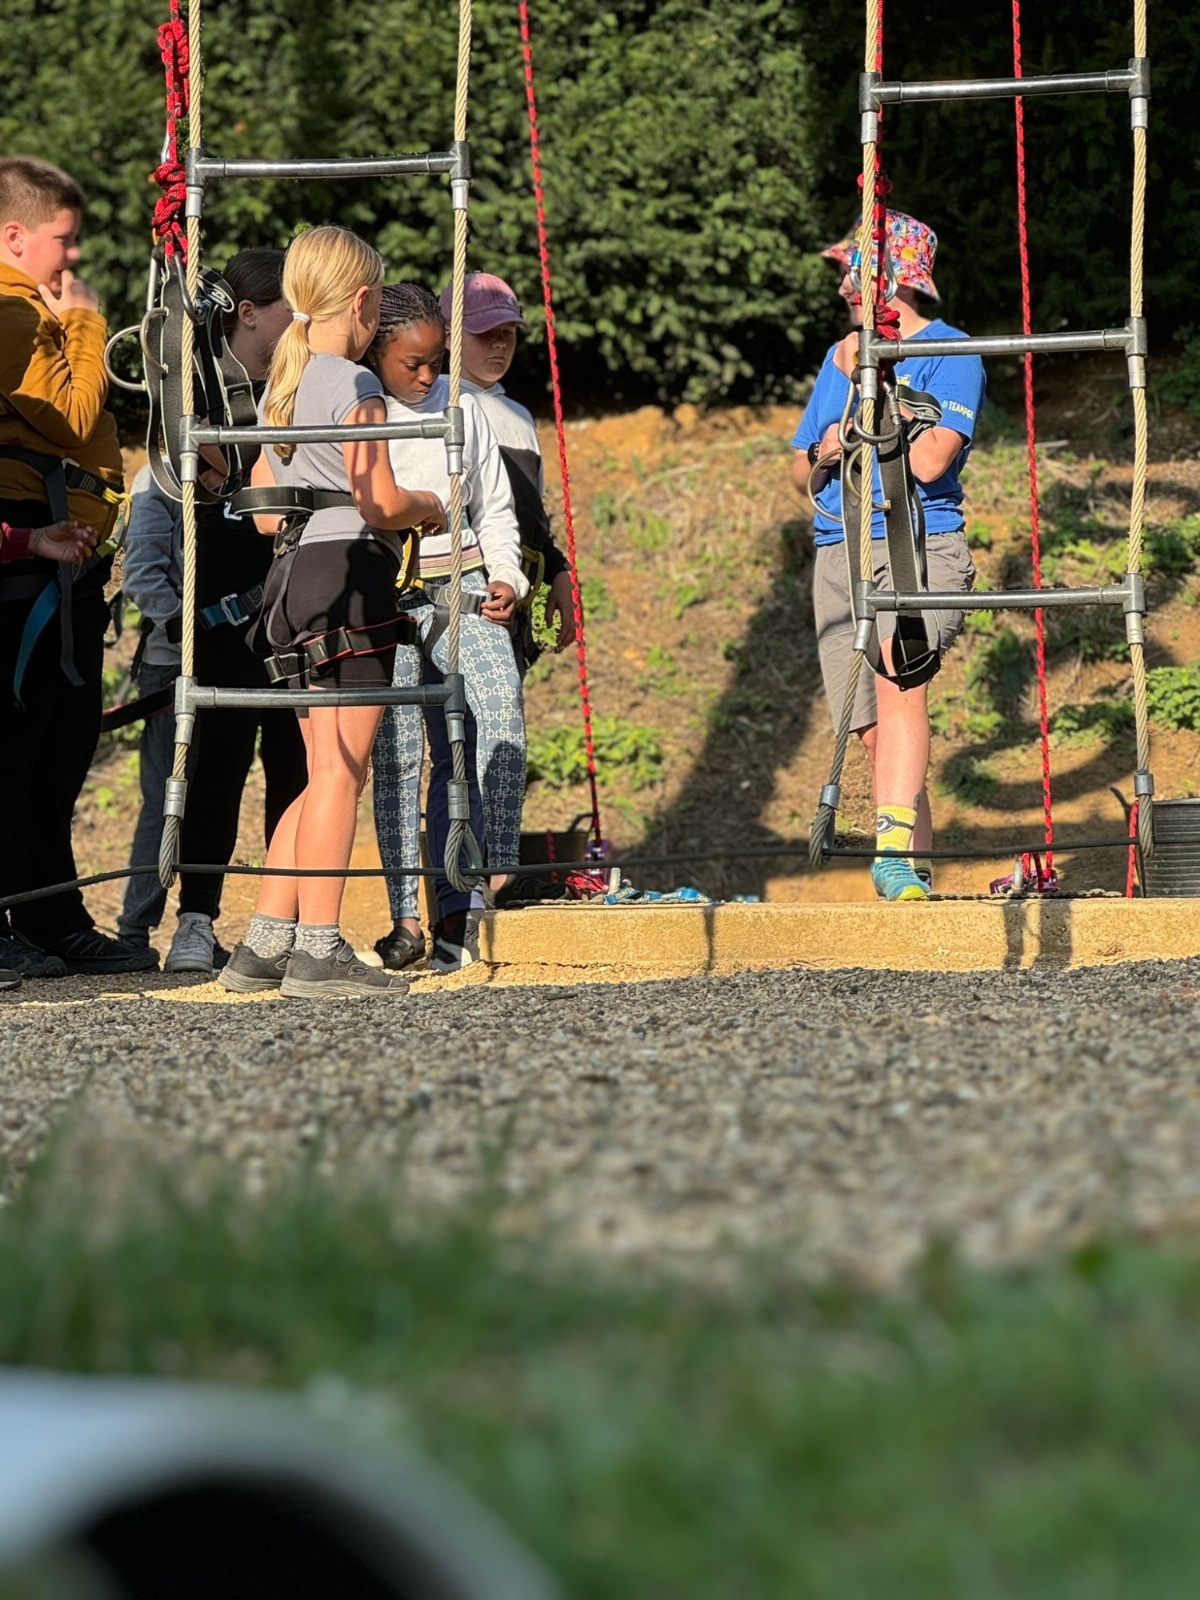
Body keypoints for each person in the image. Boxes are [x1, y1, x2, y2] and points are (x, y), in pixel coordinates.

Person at [220, 225, 446, 1000]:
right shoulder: (352, 384)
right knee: (341, 777)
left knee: (321, 776)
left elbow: (261, 515)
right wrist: (430, 504)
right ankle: (319, 950)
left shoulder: (282, 384)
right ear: (362, 301)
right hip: (348, 577)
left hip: (290, 582)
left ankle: (263, 944)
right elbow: (379, 500)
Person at [118, 248, 308, 973]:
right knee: (215, 775)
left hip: (291, 610)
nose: (301, 322)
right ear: (250, 313)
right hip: (221, 623)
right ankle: (194, 921)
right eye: (290, 308)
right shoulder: (195, 399)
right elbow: (162, 512)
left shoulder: (301, 392)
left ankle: (290, 923)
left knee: (296, 771)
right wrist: (179, 620)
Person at [791, 210, 985, 901]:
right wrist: (830, 445)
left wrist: (875, 394)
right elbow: (800, 467)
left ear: (894, 279)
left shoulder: (952, 350)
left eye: (854, 274)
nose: (844, 288)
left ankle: (893, 854)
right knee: (873, 730)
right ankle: (915, 872)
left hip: (914, 540)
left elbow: (930, 461)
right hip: (838, 550)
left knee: (901, 679)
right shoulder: (840, 355)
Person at [0, 154, 157, 977]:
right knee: (16, 749)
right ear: (14, 237)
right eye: (64, 240)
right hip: (25, 557)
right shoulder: (12, 313)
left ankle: (49, 915)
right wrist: (88, 324)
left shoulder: (34, 310)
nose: (75, 257)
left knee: (57, 752)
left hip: (65, 560)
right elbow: (66, 416)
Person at [365, 283, 530, 975]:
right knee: (400, 753)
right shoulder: (362, 409)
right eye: (413, 364)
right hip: (389, 595)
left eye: (436, 361)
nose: (428, 375)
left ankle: (483, 878)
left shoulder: (462, 407)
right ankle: (406, 915)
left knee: (496, 712)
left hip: (464, 583)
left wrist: (509, 577)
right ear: (378, 354)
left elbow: (494, 506)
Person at [446, 271, 578, 665]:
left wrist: (558, 571)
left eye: (508, 332)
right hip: (472, 599)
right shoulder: (442, 408)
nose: (500, 343)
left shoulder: (519, 416)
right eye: (485, 333)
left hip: (516, 599)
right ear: (449, 335)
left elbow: (531, 515)